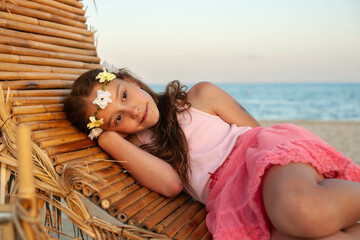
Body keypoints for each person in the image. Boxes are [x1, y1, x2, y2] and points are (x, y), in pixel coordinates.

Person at [64, 68, 360, 240]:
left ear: (134, 82)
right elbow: (171, 184)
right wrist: (107, 140)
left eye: (125, 96)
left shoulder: (199, 97)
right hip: (232, 198)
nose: (132, 112)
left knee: (298, 209)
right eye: (117, 119)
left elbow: (258, 134)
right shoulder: (141, 150)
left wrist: (283, 175)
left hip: (261, 160)